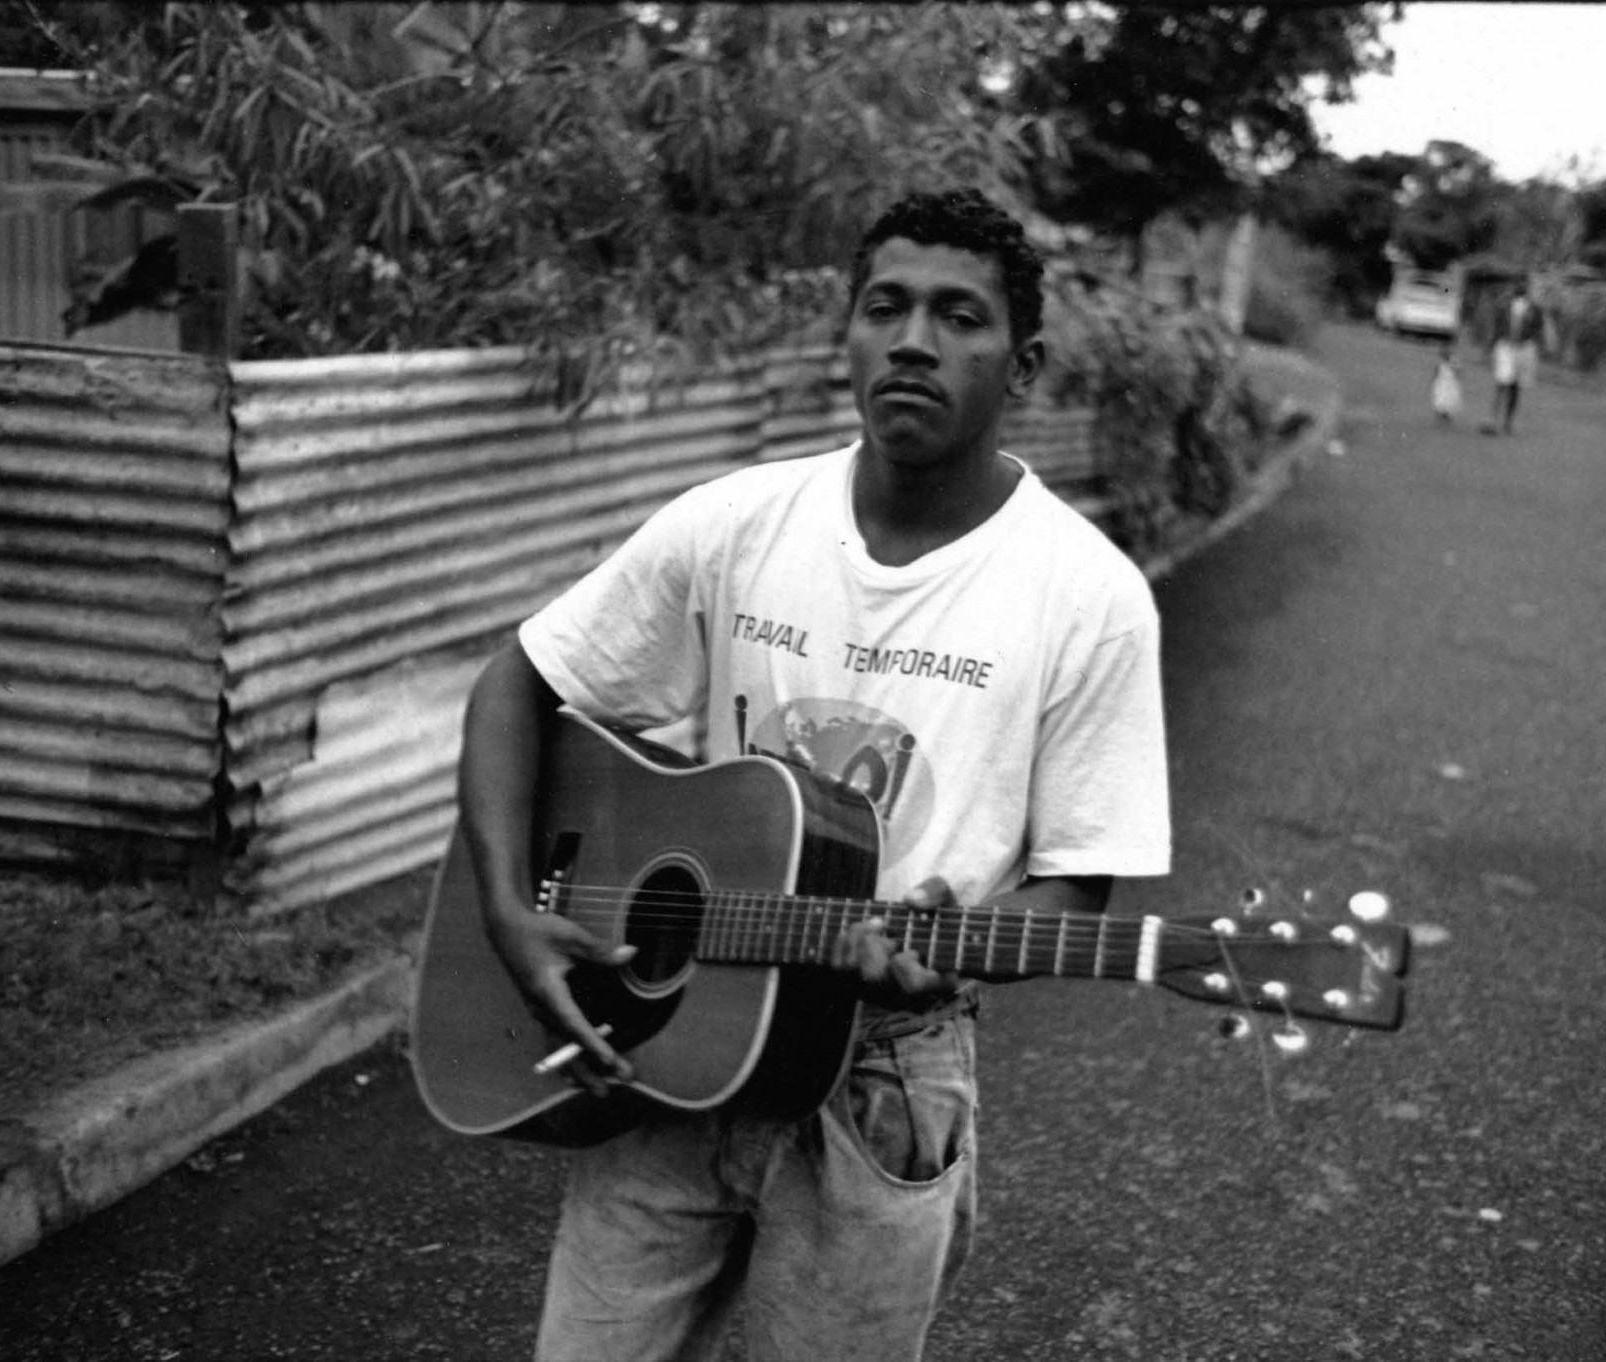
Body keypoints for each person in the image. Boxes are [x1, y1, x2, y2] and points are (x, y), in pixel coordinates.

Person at [455, 187, 1171, 1362]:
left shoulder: (1088, 599)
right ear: (846, 332)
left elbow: (1078, 884)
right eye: (884, 307)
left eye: (958, 317)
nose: (911, 342)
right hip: (668, 1040)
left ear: (1024, 365)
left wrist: (949, 944)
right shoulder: (737, 522)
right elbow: (516, 685)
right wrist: (505, 909)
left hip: (881, 1077)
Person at [1485, 281, 1543, 435]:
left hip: (1522, 347)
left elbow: (1538, 328)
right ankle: (1494, 421)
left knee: (1514, 386)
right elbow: (1497, 327)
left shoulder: (1533, 309)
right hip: (1506, 346)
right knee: (1502, 383)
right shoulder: (1505, 306)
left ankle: (1507, 422)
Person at [1430, 341, 1463, 427]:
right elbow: (1436, 373)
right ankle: (1440, 418)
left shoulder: (1454, 362)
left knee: (1450, 401)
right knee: (1440, 401)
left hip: (1450, 384)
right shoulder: (1439, 363)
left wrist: (1453, 367)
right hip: (1441, 384)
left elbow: (1458, 373)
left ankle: (1447, 417)